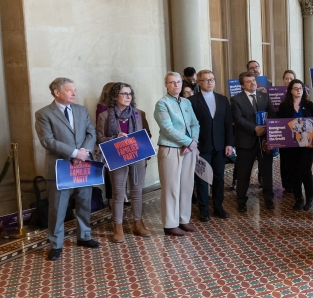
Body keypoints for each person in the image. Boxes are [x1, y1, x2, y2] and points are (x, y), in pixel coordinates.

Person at [35, 78, 100, 261]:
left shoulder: (81, 110)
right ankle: (56, 244)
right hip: (60, 166)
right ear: (57, 92)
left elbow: (91, 132)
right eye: (70, 90)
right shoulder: (43, 113)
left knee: (84, 201)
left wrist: (84, 152)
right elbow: (47, 140)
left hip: (83, 164)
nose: (74, 93)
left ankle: (84, 236)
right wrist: (73, 153)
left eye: (75, 90)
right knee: (57, 208)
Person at [96, 82, 152, 242]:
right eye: (124, 94)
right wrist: (115, 138)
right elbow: (100, 139)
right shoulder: (104, 116)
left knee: (137, 191)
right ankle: (117, 226)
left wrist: (142, 143)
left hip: (137, 156)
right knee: (119, 192)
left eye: (130, 94)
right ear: (115, 96)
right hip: (117, 157)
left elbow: (147, 133)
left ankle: (137, 222)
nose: (128, 97)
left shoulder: (139, 114)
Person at [154, 72, 200, 237]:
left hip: (189, 149)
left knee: (187, 185)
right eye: (172, 82)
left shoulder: (187, 102)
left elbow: (195, 123)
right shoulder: (162, 104)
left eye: (179, 82)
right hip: (170, 148)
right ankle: (170, 224)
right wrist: (188, 142)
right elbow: (167, 128)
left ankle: (183, 219)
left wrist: (193, 141)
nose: (176, 85)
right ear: (166, 84)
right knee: (171, 187)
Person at [188, 70, 234, 222]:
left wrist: (229, 143)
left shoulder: (222, 99)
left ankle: (218, 207)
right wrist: (194, 146)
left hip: (220, 146)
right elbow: (189, 126)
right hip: (202, 146)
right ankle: (204, 210)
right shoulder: (192, 101)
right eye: (206, 80)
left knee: (219, 178)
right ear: (199, 82)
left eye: (212, 79)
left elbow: (228, 123)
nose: (210, 82)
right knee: (202, 179)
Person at [231, 72, 277, 211]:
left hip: (264, 141)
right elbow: (238, 119)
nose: (253, 83)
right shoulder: (236, 99)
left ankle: (268, 198)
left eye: (254, 81)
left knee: (267, 172)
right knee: (244, 173)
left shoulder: (264, 96)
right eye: (249, 82)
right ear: (242, 85)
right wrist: (254, 128)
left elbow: (272, 114)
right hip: (246, 142)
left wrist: (265, 128)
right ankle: (241, 201)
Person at [277, 79, 313, 211]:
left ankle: (309, 198)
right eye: (296, 88)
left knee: (305, 171)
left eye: (300, 88)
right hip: (290, 146)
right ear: (290, 90)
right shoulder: (284, 106)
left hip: (307, 145)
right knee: (294, 172)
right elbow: (280, 124)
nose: (299, 90)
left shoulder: (309, 104)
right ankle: (298, 199)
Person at [96, 82, 118, 207]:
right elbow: (100, 126)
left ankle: (122, 195)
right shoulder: (102, 107)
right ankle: (110, 198)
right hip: (108, 141)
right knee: (110, 171)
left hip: (118, 140)